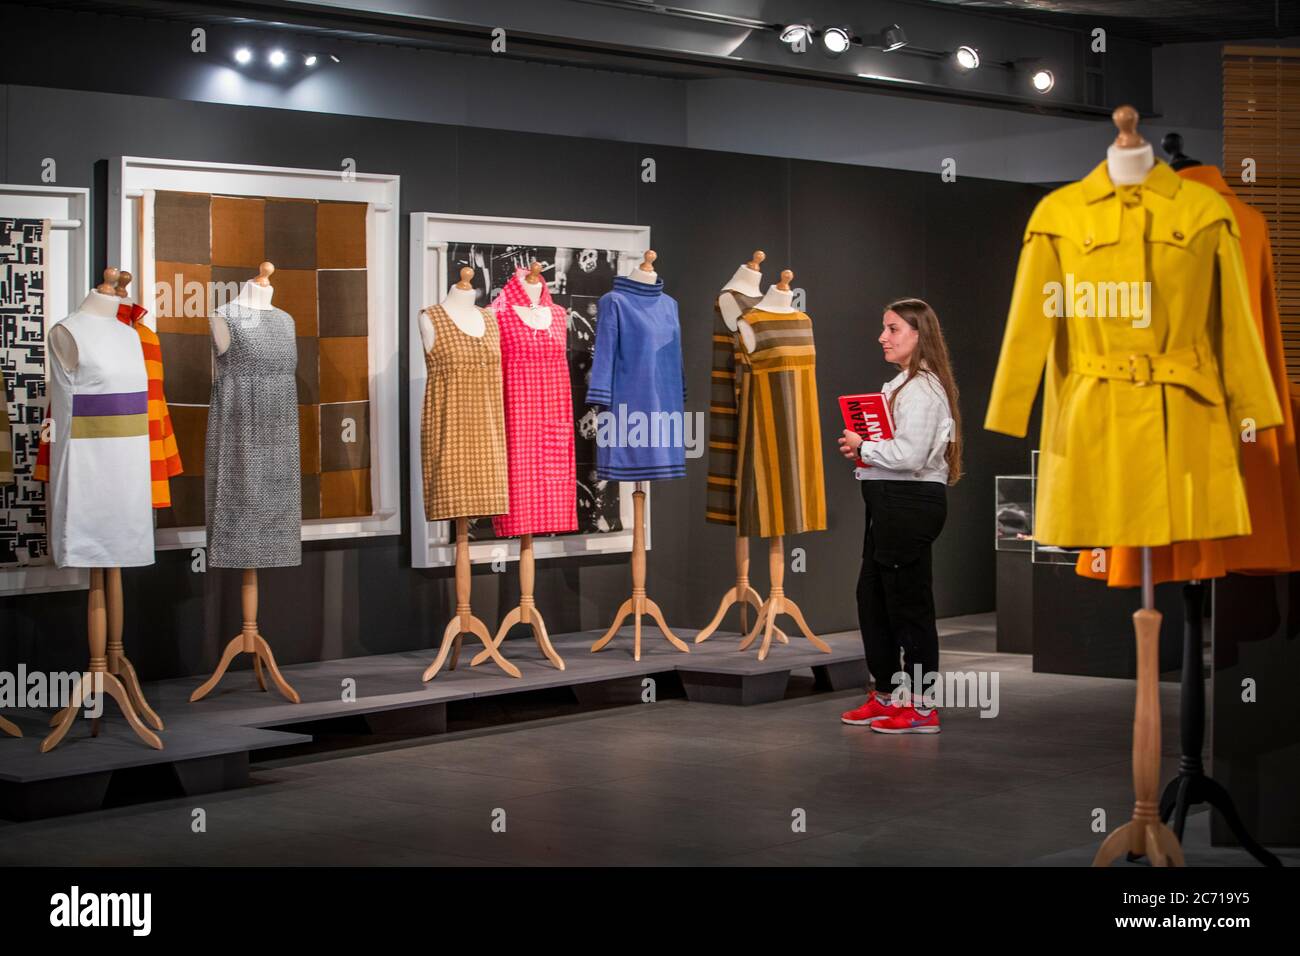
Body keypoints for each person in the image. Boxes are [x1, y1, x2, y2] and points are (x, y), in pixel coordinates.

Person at [837, 298, 962, 734]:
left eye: (892, 329)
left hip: (910, 503)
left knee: (909, 606)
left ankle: (923, 707)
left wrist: (864, 447)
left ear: (917, 335)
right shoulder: (899, 386)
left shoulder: (924, 390)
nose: (882, 337)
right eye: (884, 328)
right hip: (888, 502)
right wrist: (864, 450)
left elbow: (908, 456)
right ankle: (888, 694)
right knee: (873, 600)